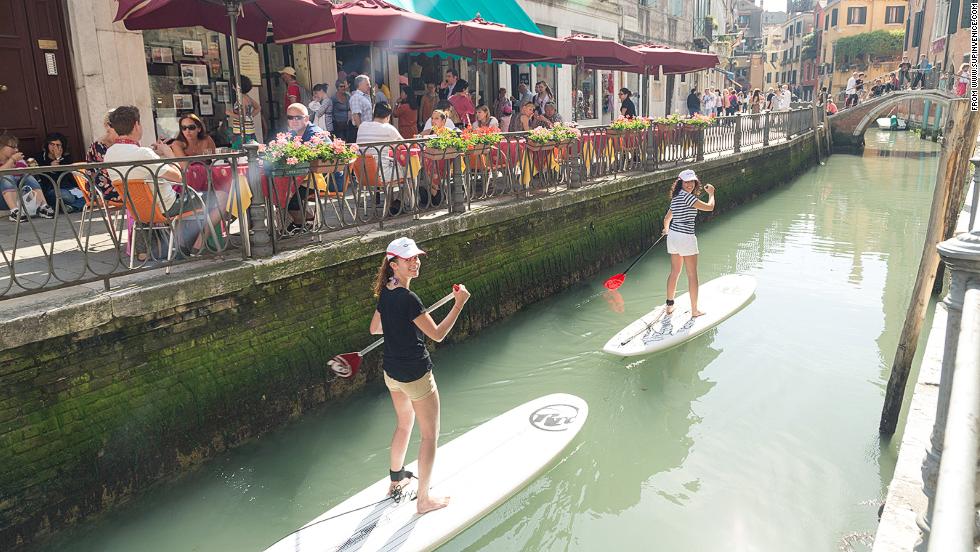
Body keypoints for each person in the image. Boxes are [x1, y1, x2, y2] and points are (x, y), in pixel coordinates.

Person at [369, 237, 470, 514]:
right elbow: (437, 334)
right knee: (429, 436)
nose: (416, 262)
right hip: (416, 375)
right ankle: (424, 501)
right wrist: (459, 302)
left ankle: (396, 479)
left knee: (404, 425)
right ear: (393, 264)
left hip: (392, 374)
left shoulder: (387, 292)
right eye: (409, 259)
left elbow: (375, 329)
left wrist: (399, 323)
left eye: (417, 257)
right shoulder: (409, 298)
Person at [103, 106, 217, 254]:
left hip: (140, 211)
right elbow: (180, 177)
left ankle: (182, 245)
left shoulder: (110, 154)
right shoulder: (143, 153)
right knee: (220, 196)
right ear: (136, 125)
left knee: (187, 198)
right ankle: (198, 245)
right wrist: (168, 153)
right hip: (166, 207)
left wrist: (157, 157)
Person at [662, 169, 715, 317]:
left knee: (675, 272)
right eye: (686, 182)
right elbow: (710, 207)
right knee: (692, 274)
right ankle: (694, 310)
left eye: (692, 181)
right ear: (681, 183)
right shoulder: (688, 198)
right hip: (685, 237)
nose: (690, 184)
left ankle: (669, 306)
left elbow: (667, 219)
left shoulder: (676, 197)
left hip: (673, 236)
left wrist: (666, 231)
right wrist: (711, 193)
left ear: (695, 182)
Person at [0, 133, 56, 221]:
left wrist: (29, 167)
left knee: (27, 176)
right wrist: (12, 160)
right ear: (1, 147)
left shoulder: (19, 162)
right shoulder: (13, 160)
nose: (16, 150)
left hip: (23, 197)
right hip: (2, 199)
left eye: (17, 147)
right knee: (7, 176)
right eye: (13, 147)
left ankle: (43, 206)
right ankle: (14, 211)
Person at [36, 132, 86, 213]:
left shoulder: (66, 158)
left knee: (88, 195)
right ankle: (72, 205)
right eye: (52, 144)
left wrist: (58, 159)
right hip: (51, 189)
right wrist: (50, 168)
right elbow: (41, 178)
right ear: (47, 145)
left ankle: (71, 207)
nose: (55, 147)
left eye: (58, 145)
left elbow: (68, 177)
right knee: (68, 197)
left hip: (68, 187)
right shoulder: (40, 158)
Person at [356, 102, 405, 184]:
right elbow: (405, 146)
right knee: (409, 169)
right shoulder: (388, 128)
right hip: (382, 175)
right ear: (388, 116)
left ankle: (392, 196)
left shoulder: (362, 126)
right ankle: (402, 197)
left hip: (362, 176)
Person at [86, 110, 121, 202]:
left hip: (118, 184)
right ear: (108, 126)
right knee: (140, 193)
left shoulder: (123, 142)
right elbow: (108, 172)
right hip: (102, 190)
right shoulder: (98, 146)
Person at [226, 75, 260, 149]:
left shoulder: (240, 98)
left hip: (242, 133)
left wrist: (230, 113)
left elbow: (242, 117)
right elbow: (257, 108)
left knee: (241, 153)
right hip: (250, 131)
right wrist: (250, 116)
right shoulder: (247, 97)